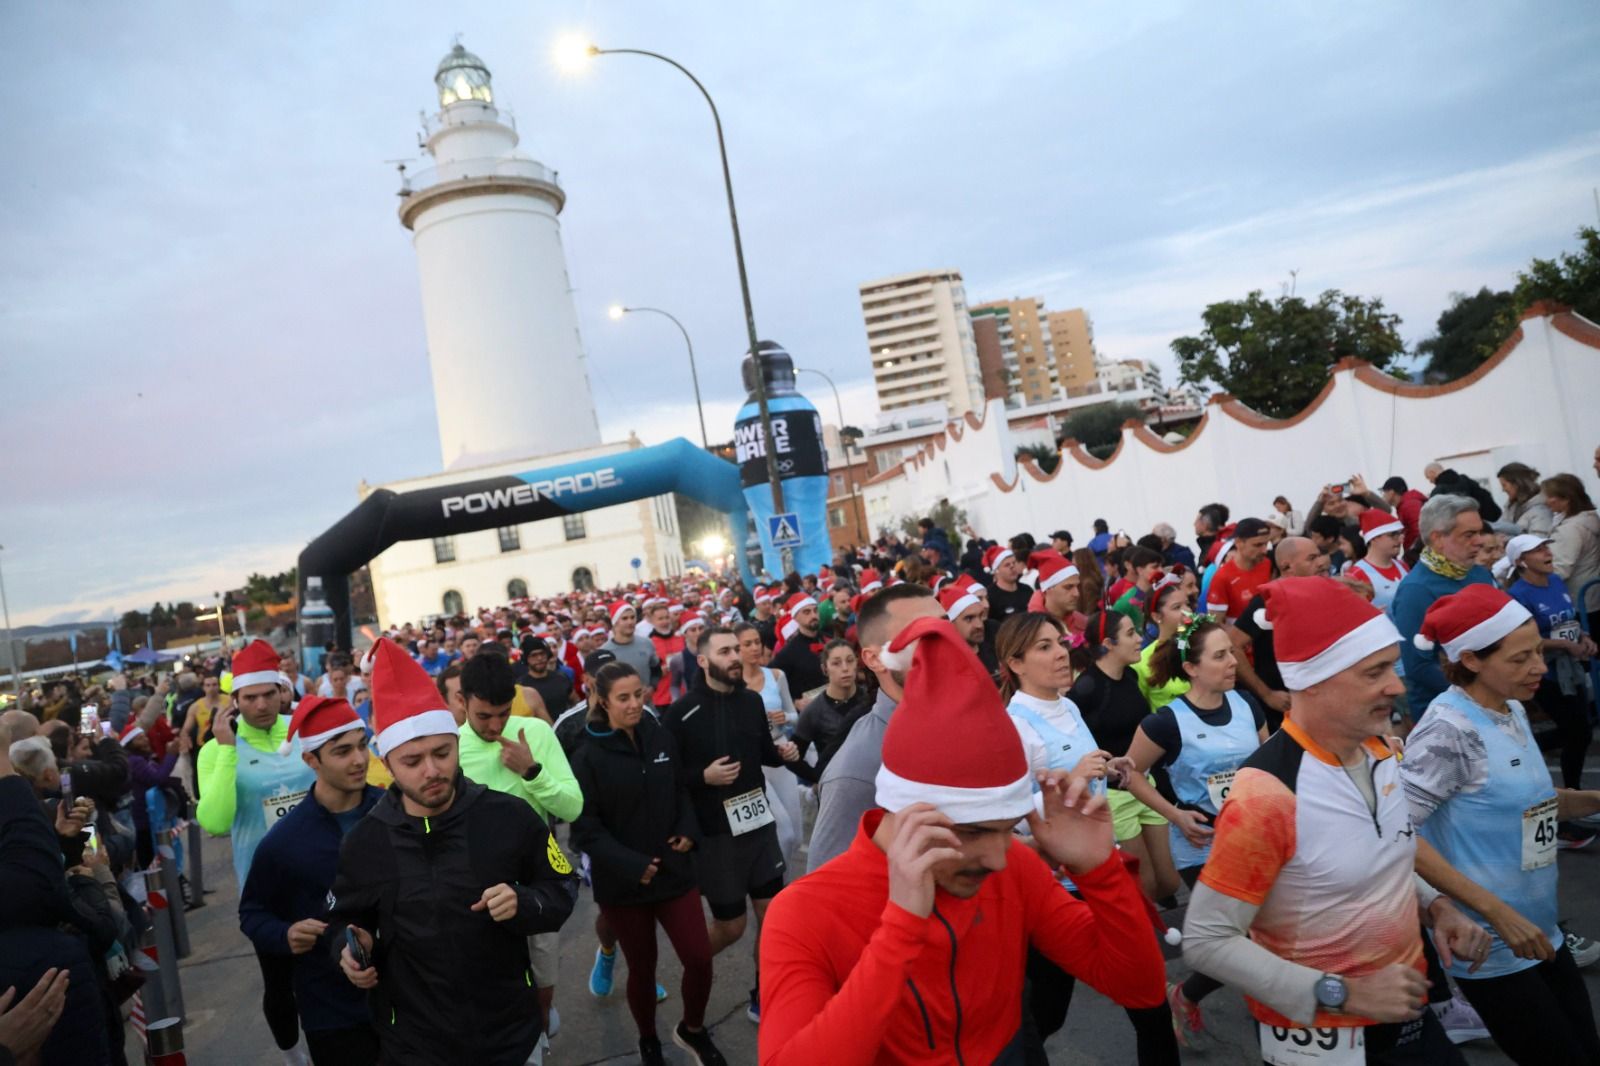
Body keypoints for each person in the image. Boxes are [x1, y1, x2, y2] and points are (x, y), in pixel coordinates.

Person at [758, 616, 1168, 1063]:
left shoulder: (1014, 866)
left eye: (1006, 828)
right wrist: (899, 929)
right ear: (907, 810)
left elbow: (1139, 988)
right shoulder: (802, 912)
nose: (997, 857)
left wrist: (1098, 870)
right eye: (973, 832)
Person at [1183, 577, 1490, 1064]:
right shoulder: (1265, 794)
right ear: (1312, 680)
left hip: (1404, 1008)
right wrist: (1339, 993)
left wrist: (1437, 908)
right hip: (1325, 1039)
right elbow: (1206, 939)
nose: (1397, 684)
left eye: (1392, 666)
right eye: (1375, 672)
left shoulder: (1379, 751)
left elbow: (1379, 858)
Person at [329, 640, 577, 1066]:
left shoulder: (509, 816)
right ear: (386, 763)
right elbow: (342, 920)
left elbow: (562, 888)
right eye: (412, 761)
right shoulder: (364, 843)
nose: (432, 771)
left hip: (510, 1038)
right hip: (415, 1046)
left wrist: (524, 902)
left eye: (442, 753)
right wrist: (349, 950)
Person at [1402, 585, 1600, 1063]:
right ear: (1470, 659)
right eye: (1519, 659)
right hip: (1493, 945)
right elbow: (1395, 834)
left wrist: (1592, 800)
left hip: (1541, 930)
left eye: (1537, 651)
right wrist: (1493, 913)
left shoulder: (1510, 708)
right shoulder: (1448, 730)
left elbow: (1523, 802)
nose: (1539, 666)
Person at [994, 610, 1180, 1062]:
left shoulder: (1068, 704)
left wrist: (1110, 769)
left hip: (1103, 872)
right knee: (1046, 1011)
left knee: (1150, 999)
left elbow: (1086, 772)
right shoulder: (1013, 726)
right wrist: (1075, 778)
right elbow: (1010, 819)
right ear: (1015, 663)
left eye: (1060, 642)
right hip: (1057, 890)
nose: (1061, 653)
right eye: (1044, 647)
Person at [1112, 616, 1269, 1047]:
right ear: (1192, 669)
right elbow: (1132, 774)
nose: (1232, 662)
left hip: (1254, 838)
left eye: (1231, 652)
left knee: (1252, 937)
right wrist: (1176, 816)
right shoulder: (1166, 722)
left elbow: (1267, 767)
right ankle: (1276, 1040)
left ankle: (1186, 993)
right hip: (1201, 845)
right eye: (1220, 656)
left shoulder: (1247, 705)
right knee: (1248, 939)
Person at [569, 663, 724, 1066]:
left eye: (639, 694)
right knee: (642, 967)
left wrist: (688, 830)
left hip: (675, 872)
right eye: (624, 698)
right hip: (624, 885)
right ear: (603, 702)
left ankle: (691, 1029)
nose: (635, 703)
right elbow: (585, 831)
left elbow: (680, 792)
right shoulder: (586, 756)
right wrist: (632, 864)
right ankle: (648, 1039)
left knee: (699, 957)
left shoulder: (659, 735)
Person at [664, 627, 809, 1025]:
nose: (735, 657)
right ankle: (694, 963)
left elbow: (765, 752)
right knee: (731, 927)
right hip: (716, 837)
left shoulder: (750, 702)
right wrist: (702, 778)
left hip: (758, 825)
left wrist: (784, 752)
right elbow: (666, 778)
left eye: (737, 649)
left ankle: (764, 991)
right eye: (724, 651)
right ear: (703, 659)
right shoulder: (681, 713)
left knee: (773, 917)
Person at [238, 697, 382, 1066]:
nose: (359, 759)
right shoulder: (283, 842)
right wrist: (283, 935)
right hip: (332, 1014)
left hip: (408, 999)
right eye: (342, 751)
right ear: (310, 760)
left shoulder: (394, 813)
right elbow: (253, 913)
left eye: (363, 745)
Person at [196, 640, 318, 1066]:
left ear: (282, 691)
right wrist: (228, 749)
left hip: (325, 877)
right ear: (235, 701)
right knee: (280, 985)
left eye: (270, 693)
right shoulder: (216, 749)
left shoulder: (306, 731)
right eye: (250, 697)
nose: (262, 704)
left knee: (340, 974)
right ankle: (294, 1057)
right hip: (265, 890)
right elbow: (213, 820)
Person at [455, 648, 582, 1040]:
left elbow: (572, 807)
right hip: (473, 889)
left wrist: (532, 771)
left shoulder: (536, 734)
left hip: (535, 882)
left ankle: (540, 1035)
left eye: (503, 714)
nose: (495, 726)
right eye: (483, 716)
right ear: (462, 702)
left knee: (543, 976)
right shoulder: (449, 749)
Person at [806, 585, 945, 872]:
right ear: (874, 659)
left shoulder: (965, 723)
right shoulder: (856, 771)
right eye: (918, 636)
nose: (944, 645)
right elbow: (827, 891)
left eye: (945, 629)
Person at [1067, 611, 1180, 905]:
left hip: (1145, 782)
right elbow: (1076, 745)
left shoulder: (1131, 675)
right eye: (1131, 633)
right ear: (1108, 643)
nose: (1140, 639)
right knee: (1146, 885)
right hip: (1114, 795)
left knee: (1169, 881)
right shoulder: (1084, 690)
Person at [1505, 534, 1598, 836]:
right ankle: (1566, 808)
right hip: (1542, 673)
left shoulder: (1556, 581)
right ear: (1521, 561)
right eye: (1539, 550)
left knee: (1579, 731)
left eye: (1547, 547)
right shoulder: (1518, 594)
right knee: (1578, 731)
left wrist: (1583, 637)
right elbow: (1523, 638)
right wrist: (1561, 645)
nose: (1548, 552)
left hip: (1569, 669)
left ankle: (1571, 798)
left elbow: (1568, 619)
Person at [1394, 495, 1495, 717]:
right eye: (1469, 535)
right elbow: (1418, 667)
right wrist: (1481, 689)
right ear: (1438, 538)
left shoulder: (1479, 574)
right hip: (1447, 715)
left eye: (1479, 532)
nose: (1479, 541)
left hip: (1491, 700)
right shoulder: (1416, 590)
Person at [734, 623, 805, 872]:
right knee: (781, 831)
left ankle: (781, 884)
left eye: (757, 642)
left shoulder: (776, 676)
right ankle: (778, 889)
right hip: (753, 758)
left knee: (795, 835)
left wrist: (785, 718)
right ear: (736, 649)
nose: (755, 648)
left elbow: (794, 714)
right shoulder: (732, 685)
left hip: (780, 750)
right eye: (747, 644)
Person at [794, 640, 870, 776]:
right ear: (825, 669)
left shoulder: (872, 700)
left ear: (857, 663)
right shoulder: (814, 711)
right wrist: (819, 778)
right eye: (836, 663)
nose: (845, 668)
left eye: (850, 660)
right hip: (838, 787)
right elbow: (793, 757)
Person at [1542, 472, 1600, 614]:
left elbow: (1560, 568)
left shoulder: (1570, 529)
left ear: (1566, 499)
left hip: (1577, 600)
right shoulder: (1589, 520)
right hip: (1592, 596)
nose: (1545, 501)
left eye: (1550, 496)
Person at [1132, 580, 1194, 711]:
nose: (1187, 611)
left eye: (1187, 605)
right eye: (1177, 607)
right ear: (1157, 616)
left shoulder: (1202, 646)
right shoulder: (1142, 662)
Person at [1204, 517, 1273, 624]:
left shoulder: (1268, 564)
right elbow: (1215, 624)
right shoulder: (1222, 578)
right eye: (1258, 545)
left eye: (1266, 544)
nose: (1264, 550)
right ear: (1239, 542)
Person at [1348, 508, 1412, 610]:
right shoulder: (1357, 575)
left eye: (1400, 534)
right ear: (1373, 538)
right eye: (1393, 535)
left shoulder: (1403, 566)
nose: (1400, 540)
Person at [769, 592, 827, 699]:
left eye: (815, 610)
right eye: (806, 612)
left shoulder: (828, 640)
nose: (813, 615)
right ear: (795, 617)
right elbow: (770, 683)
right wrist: (794, 702)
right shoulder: (787, 653)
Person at [601, 602, 662, 691]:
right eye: (624, 618)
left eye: (632, 617)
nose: (630, 622)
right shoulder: (604, 651)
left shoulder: (647, 643)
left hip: (647, 703)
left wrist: (652, 687)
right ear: (615, 622)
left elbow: (656, 671)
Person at [1112, 547, 1165, 631]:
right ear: (1140, 570)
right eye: (1155, 567)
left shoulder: (1164, 594)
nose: (1161, 570)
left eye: (1161, 566)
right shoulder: (1126, 602)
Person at [518, 639, 574, 717]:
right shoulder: (521, 685)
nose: (540, 658)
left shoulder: (561, 678)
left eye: (542, 653)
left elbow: (575, 701)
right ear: (526, 658)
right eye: (534, 655)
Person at [1497, 462, 1556, 537]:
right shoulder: (1511, 507)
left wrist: (1506, 540)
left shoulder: (1541, 510)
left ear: (1517, 484)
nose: (1503, 490)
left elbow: (1538, 541)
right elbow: (1498, 529)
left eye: (1504, 485)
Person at [983, 544, 1034, 626]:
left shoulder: (1027, 590)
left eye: (1014, 563)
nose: (1012, 567)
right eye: (1007, 565)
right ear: (997, 571)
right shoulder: (990, 595)